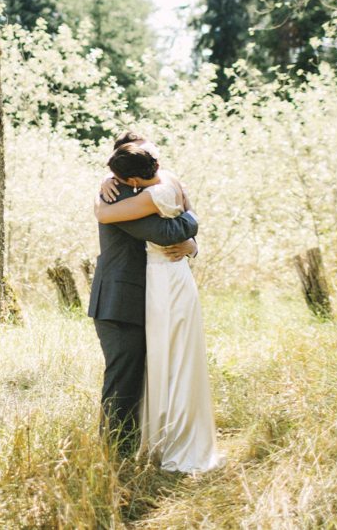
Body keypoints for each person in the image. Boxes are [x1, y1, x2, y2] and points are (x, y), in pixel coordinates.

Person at [93, 139, 221, 473]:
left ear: (129, 175)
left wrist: (190, 240)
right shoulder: (139, 189)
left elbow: (167, 230)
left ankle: (162, 440)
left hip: (160, 286)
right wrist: (191, 226)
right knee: (129, 375)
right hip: (125, 298)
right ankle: (118, 455)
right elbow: (171, 227)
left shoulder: (136, 194)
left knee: (168, 360)